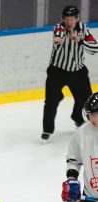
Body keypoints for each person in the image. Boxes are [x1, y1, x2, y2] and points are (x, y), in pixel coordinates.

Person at [41, 5, 98, 143]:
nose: (69, 22)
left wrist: (79, 41)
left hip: (78, 71)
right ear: (63, 19)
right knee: (50, 102)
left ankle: (77, 117)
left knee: (86, 100)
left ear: (77, 19)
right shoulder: (59, 28)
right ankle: (47, 130)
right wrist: (58, 39)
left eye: (72, 19)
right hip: (57, 72)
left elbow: (95, 48)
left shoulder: (83, 29)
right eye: (67, 19)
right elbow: (58, 36)